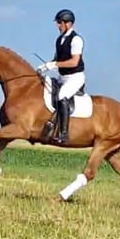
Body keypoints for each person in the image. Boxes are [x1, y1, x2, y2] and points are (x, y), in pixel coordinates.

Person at [37, 9, 86, 143]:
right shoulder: (59, 39)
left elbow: (74, 61)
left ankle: (63, 133)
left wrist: (55, 65)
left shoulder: (76, 39)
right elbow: (56, 58)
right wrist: (47, 66)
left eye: (60, 23)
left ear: (68, 23)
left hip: (75, 77)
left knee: (61, 96)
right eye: (58, 23)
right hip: (63, 77)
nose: (58, 26)